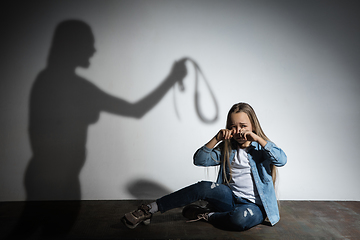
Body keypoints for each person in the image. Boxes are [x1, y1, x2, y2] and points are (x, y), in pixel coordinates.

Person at [122, 102, 287, 231]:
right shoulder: (227, 148)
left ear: (253, 125)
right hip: (229, 198)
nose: (238, 131)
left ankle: (206, 215)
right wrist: (217, 138)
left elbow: (281, 160)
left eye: (243, 126)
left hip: (254, 206)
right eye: (233, 127)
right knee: (203, 186)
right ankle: (149, 209)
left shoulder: (262, 148)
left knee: (239, 220)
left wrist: (258, 139)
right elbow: (199, 160)